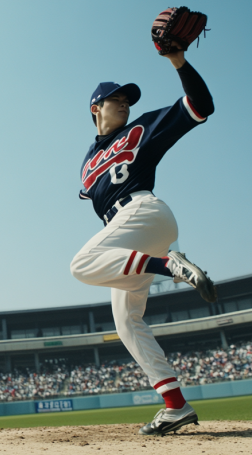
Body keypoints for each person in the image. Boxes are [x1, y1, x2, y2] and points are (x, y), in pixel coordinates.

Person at [70, 43, 217, 436]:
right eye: (115, 99)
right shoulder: (86, 162)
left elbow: (201, 105)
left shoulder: (142, 128)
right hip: (129, 232)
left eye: (126, 100)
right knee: (127, 322)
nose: (124, 104)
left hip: (145, 211)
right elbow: (98, 204)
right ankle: (176, 406)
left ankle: (169, 265)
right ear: (95, 108)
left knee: (80, 265)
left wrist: (178, 62)